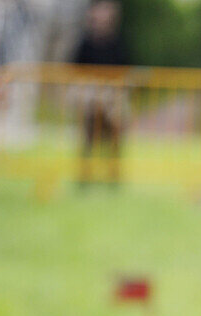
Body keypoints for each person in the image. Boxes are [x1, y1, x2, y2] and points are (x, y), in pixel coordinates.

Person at [72, 0, 128, 185]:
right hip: (91, 90)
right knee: (88, 131)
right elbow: (75, 69)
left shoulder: (117, 42)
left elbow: (125, 69)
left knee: (117, 127)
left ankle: (113, 173)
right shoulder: (84, 42)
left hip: (112, 91)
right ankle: (85, 173)